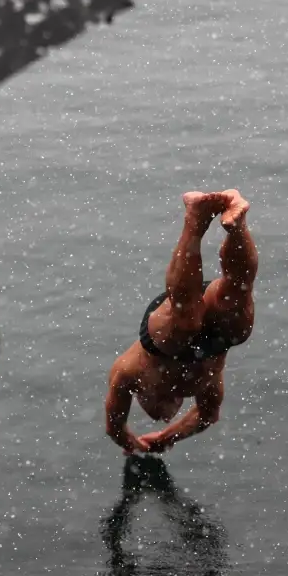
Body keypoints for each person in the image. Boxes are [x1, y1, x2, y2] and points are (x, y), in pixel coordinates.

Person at [104, 190, 257, 454]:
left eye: (157, 412)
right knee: (237, 305)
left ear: (143, 397)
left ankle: (195, 220)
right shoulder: (209, 383)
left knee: (184, 323)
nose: (165, 416)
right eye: (167, 417)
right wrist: (166, 438)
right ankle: (236, 225)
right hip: (213, 343)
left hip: (162, 336)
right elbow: (207, 416)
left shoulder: (127, 373)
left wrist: (130, 442)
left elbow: (114, 428)